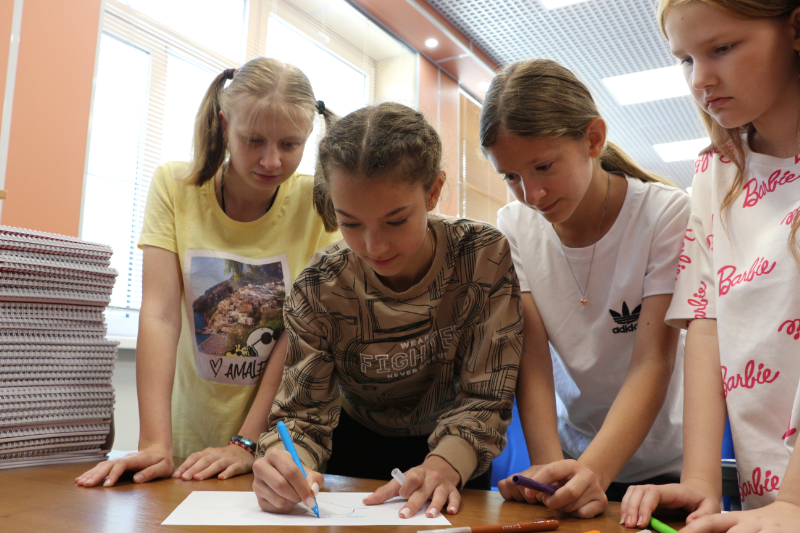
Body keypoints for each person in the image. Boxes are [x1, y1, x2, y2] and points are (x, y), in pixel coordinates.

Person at [75, 57, 340, 488]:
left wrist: (245, 443)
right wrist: (154, 443)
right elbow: (161, 315)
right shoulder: (176, 186)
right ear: (224, 124)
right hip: (188, 438)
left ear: (309, 135)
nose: (271, 160)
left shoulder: (319, 203)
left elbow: (298, 336)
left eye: (290, 145)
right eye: (253, 140)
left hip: (276, 446)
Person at [250, 102, 523, 520]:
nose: (373, 246)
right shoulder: (320, 285)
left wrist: (446, 463)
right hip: (354, 447)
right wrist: (287, 463)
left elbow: (487, 394)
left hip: (458, 451)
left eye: (395, 221)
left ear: (433, 191)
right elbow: (301, 415)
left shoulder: (482, 255)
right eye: (350, 223)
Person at [481, 58, 690, 518]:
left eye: (543, 166)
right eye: (511, 177)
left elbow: (653, 361)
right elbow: (533, 362)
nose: (531, 194)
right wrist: (550, 471)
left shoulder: (664, 214)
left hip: (663, 465)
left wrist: (590, 474)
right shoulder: (514, 225)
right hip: (572, 453)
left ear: (593, 139)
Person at [620, 1, 800, 531]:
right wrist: (700, 483)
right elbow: (706, 322)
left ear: (795, 28)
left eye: (721, 48)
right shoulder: (716, 170)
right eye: (685, 59)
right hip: (766, 499)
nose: (700, 79)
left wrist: (795, 502)